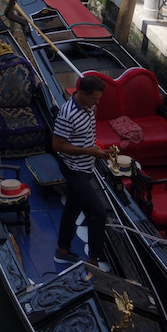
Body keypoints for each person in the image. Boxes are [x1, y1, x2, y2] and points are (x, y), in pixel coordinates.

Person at [51, 76, 110, 267]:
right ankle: (93, 260)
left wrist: (97, 152)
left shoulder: (89, 106)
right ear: (82, 94)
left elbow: (88, 131)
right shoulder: (67, 114)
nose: (98, 102)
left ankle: (62, 250)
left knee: (72, 208)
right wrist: (88, 151)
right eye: (95, 98)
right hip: (73, 168)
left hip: (87, 165)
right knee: (99, 212)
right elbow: (57, 145)